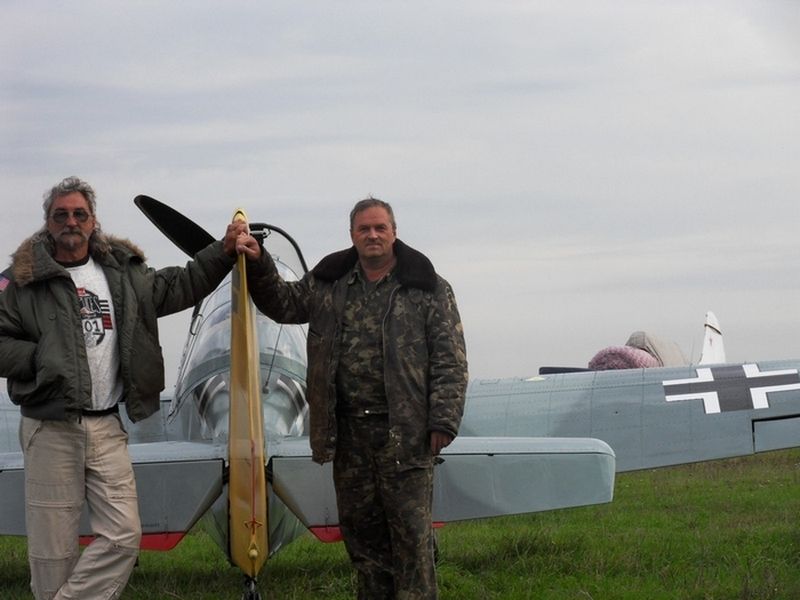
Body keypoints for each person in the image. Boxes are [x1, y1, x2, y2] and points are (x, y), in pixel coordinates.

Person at [0, 176, 244, 600]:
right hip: (50, 428)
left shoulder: (123, 273)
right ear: (48, 222)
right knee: (52, 555)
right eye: (61, 214)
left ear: (93, 221)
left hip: (107, 427)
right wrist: (40, 359)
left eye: (80, 214)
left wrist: (222, 251)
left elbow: (180, 284)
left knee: (124, 537)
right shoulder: (18, 280)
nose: (71, 222)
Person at [236, 197, 468, 599]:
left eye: (380, 227)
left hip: (405, 435)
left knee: (412, 542)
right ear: (352, 235)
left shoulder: (427, 287)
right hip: (349, 436)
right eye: (364, 229)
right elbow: (283, 304)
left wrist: (443, 421)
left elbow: (451, 359)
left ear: (394, 232)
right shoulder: (330, 282)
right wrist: (258, 262)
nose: (372, 235)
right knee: (363, 541)